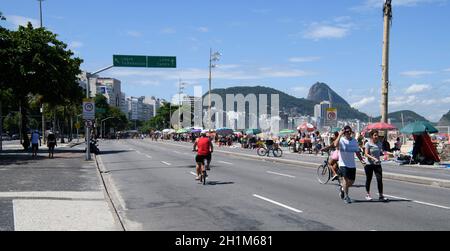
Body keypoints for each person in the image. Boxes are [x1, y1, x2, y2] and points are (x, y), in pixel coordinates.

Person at [334, 126, 366, 204]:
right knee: (345, 180)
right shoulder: (341, 140)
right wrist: (339, 135)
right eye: (346, 131)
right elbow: (335, 144)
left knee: (351, 181)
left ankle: (342, 189)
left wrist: (361, 160)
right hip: (343, 164)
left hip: (352, 164)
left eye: (349, 131)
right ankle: (346, 196)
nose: (348, 133)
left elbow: (357, 152)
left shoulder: (354, 141)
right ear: (344, 132)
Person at [364, 130, 388, 202]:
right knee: (369, 179)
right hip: (369, 164)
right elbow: (366, 154)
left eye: (377, 135)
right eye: (375, 135)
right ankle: (368, 194)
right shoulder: (368, 144)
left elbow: (380, 152)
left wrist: (385, 155)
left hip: (377, 164)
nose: (376, 136)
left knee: (379, 179)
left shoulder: (379, 144)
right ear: (371, 136)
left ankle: (381, 195)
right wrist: (373, 158)